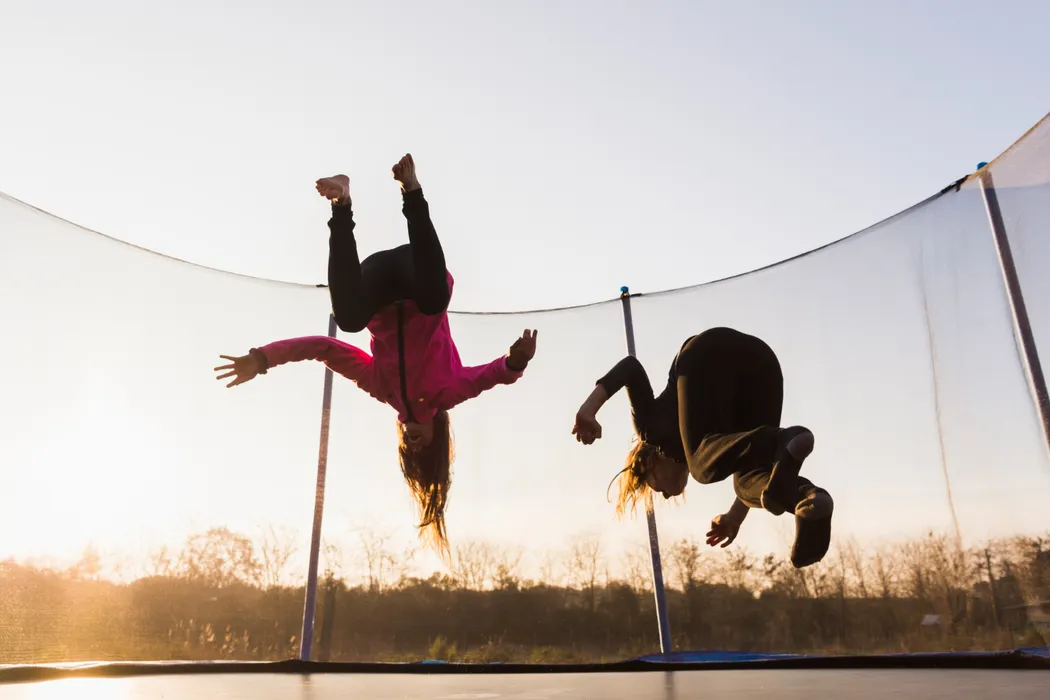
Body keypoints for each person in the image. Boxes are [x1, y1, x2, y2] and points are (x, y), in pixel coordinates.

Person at [215, 154, 538, 557]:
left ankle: (342, 204)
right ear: (438, 437)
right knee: (437, 298)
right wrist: (517, 361)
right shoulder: (449, 392)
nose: (415, 443)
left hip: (380, 283)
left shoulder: (381, 389)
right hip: (417, 276)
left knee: (348, 320)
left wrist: (263, 358)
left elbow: (324, 348)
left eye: (409, 449)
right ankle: (412, 192)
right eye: (425, 449)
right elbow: (493, 375)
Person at [571, 326, 832, 568]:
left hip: (705, 353)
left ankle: (781, 440)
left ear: (648, 463)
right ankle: (809, 501)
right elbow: (746, 481)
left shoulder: (649, 429)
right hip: (762, 364)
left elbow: (631, 367)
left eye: (655, 487)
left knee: (701, 467)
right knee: (749, 479)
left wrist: (588, 409)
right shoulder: (711, 449)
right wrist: (734, 518)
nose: (666, 495)